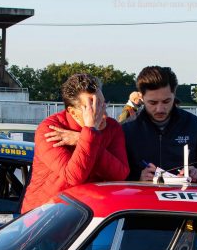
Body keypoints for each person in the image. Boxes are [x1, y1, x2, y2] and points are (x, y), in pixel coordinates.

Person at [21, 73, 129, 213]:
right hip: (44, 217)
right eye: (92, 108)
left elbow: (120, 174)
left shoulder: (112, 127)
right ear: (73, 112)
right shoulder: (49, 129)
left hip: (89, 215)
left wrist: (81, 139)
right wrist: (90, 132)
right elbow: (73, 176)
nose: (103, 114)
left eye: (102, 104)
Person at [122, 65, 197, 186]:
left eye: (166, 101)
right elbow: (111, 180)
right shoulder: (127, 130)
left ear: (174, 94)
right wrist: (137, 178)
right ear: (141, 97)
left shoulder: (196, 126)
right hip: (143, 203)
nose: (160, 109)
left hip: (183, 203)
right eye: (153, 103)